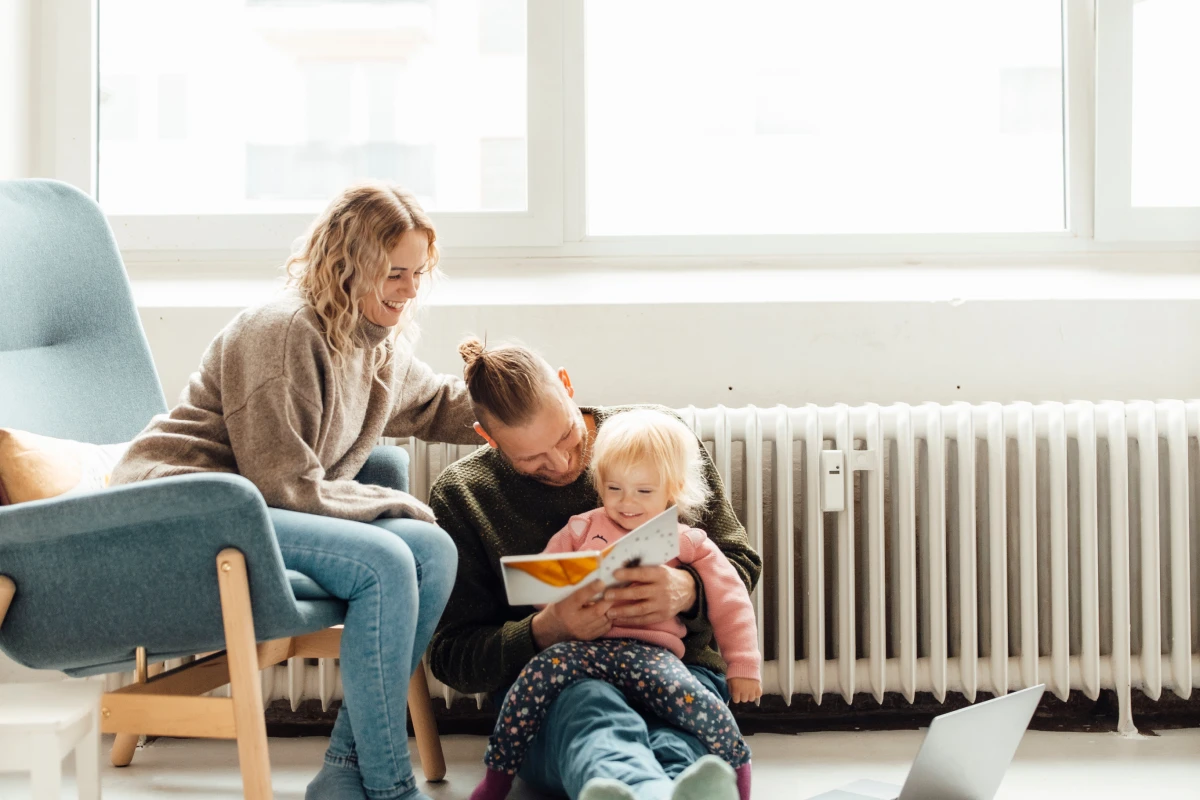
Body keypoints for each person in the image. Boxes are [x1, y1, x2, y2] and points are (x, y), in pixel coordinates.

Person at [111, 183, 480, 800]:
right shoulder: (280, 333)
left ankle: (341, 771)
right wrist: (393, 504)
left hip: (257, 508)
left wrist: (538, 409)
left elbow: (440, 403)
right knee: (389, 559)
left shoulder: (374, 341)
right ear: (347, 264)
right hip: (188, 507)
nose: (411, 289)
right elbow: (280, 485)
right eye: (395, 273)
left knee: (434, 551)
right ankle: (391, 788)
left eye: (419, 273)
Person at [428, 339, 763, 800]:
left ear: (567, 386)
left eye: (566, 436)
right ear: (488, 439)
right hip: (554, 689)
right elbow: (451, 657)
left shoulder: (656, 435)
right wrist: (546, 628)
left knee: (675, 736)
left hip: (679, 672)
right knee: (593, 714)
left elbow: (737, 562)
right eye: (532, 459)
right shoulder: (463, 494)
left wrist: (685, 590)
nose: (563, 463)